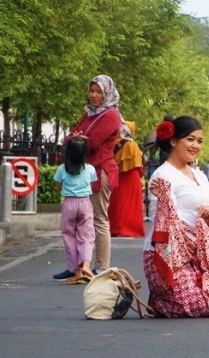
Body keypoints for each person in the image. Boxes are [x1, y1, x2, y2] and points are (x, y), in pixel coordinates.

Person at [143, 116, 209, 318]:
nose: (196, 145)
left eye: (199, 141)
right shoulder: (162, 176)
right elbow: (160, 225)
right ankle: (160, 299)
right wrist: (165, 200)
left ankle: (166, 297)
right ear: (174, 141)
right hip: (168, 255)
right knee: (197, 306)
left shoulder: (201, 177)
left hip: (198, 256)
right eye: (190, 139)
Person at [65, 74, 127, 273]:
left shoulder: (110, 115)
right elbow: (69, 139)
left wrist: (78, 139)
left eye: (98, 92)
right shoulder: (89, 114)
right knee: (77, 220)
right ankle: (77, 266)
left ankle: (102, 267)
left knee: (98, 219)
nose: (93, 95)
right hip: (81, 173)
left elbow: (90, 143)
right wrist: (76, 139)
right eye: (91, 91)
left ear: (107, 93)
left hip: (101, 171)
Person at [52, 136, 97, 283]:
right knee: (86, 235)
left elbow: (57, 187)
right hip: (85, 203)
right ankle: (86, 266)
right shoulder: (90, 169)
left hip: (69, 203)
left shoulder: (62, 169)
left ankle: (75, 270)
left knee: (69, 236)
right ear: (85, 153)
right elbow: (93, 184)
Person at [108, 121, 145, 237]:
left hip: (117, 176)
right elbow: (138, 166)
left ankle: (115, 227)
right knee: (132, 204)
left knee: (117, 202)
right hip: (132, 177)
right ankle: (130, 228)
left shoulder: (113, 143)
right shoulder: (132, 145)